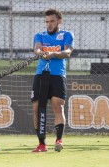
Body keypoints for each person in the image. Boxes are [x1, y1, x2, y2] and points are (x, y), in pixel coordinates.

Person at [31, 8, 74, 152]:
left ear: (59, 21)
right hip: (41, 74)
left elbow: (67, 52)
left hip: (57, 75)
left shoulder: (67, 35)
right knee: (37, 108)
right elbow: (36, 49)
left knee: (58, 106)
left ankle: (59, 140)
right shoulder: (40, 35)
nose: (49, 24)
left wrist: (53, 54)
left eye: (52, 21)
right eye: (47, 22)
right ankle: (41, 143)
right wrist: (41, 53)